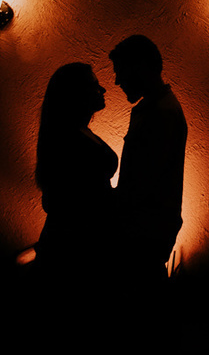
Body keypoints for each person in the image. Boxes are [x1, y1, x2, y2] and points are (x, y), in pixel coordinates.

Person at [110, 35, 187, 288]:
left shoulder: (161, 114)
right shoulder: (157, 108)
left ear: (140, 67)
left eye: (120, 71)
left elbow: (139, 186)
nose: (117, 81)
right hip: (147, 234)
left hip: (143, 238)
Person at [34, 62, 118, 284]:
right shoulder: (67, 140)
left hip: (78, 245)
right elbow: (72, 200)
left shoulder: (78, 133)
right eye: (94, 85)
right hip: (74, 251)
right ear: (76, 95)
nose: (103, 90)